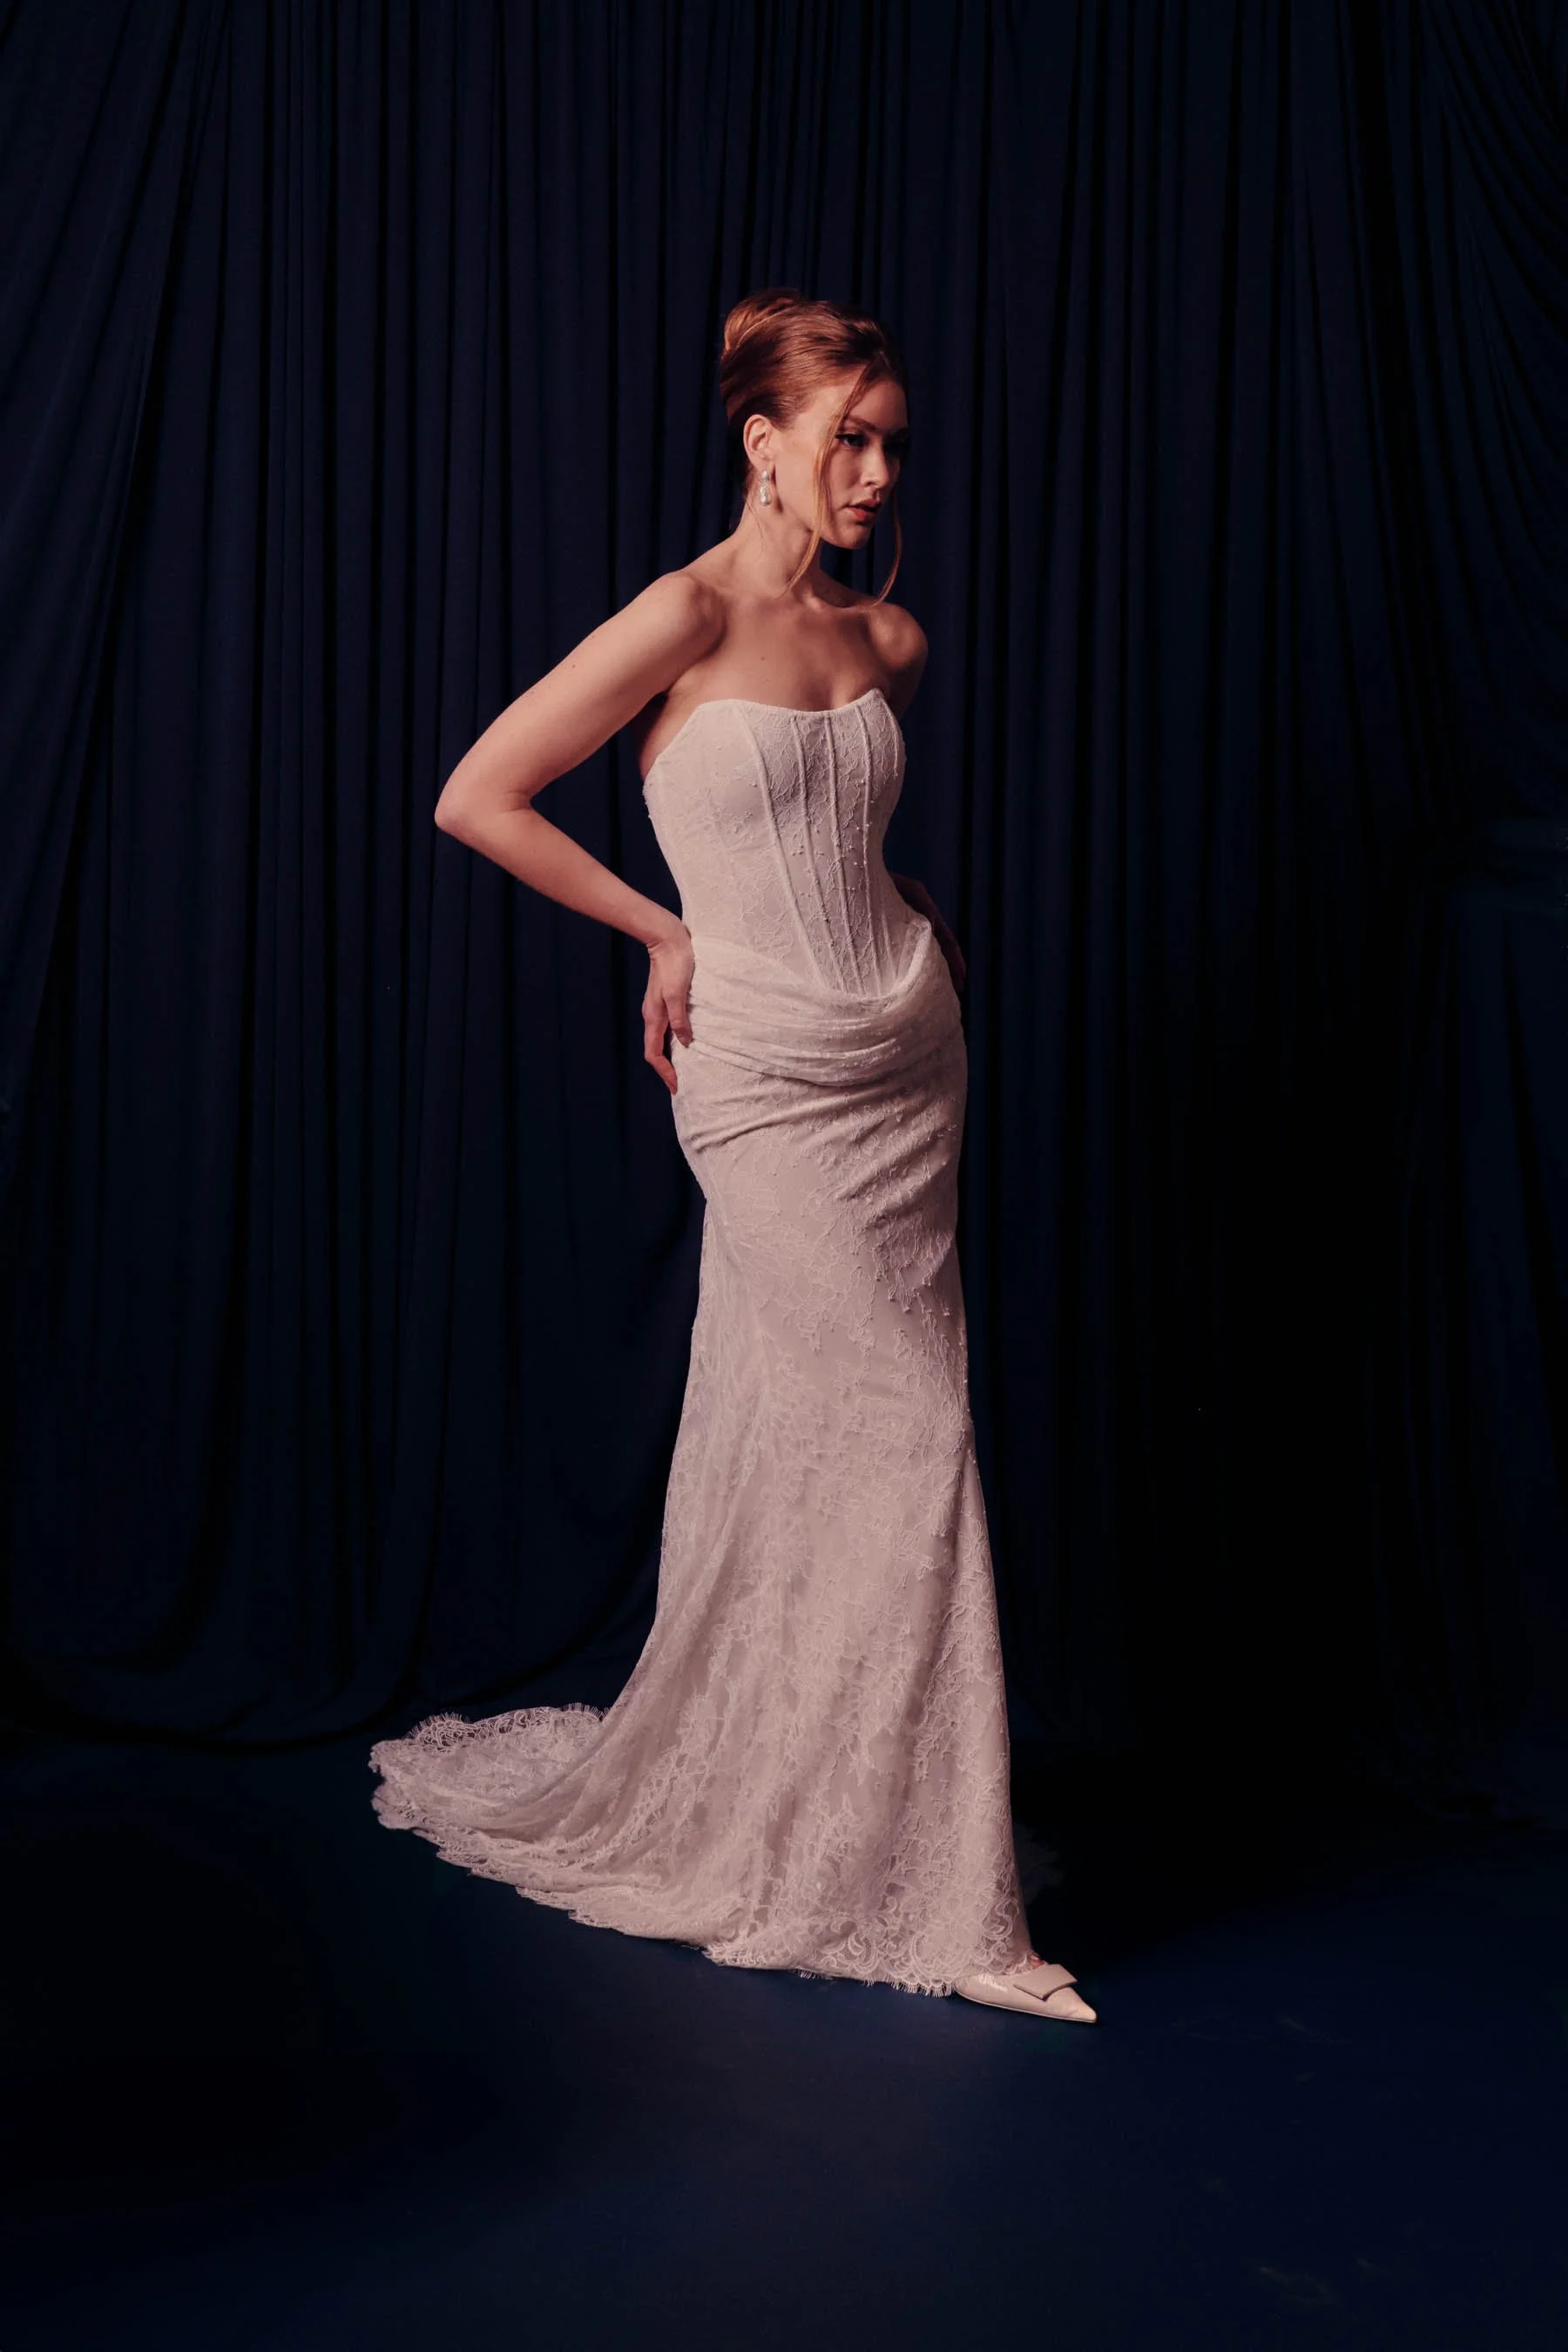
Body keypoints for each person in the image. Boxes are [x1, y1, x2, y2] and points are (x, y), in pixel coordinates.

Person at [369, 288, 1095, 2024]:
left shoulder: (890, 640)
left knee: (812, 1431)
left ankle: (853, 1826)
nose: (872, 467)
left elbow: (846, 830)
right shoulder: (677, 619)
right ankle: (962, 1913)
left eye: (890, 440)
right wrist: (657, 933)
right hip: (763, 1074)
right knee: (908, 1429)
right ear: (760, 440)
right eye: (844, 435)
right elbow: (481, 793)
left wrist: (915, 918)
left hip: (909, 1057)